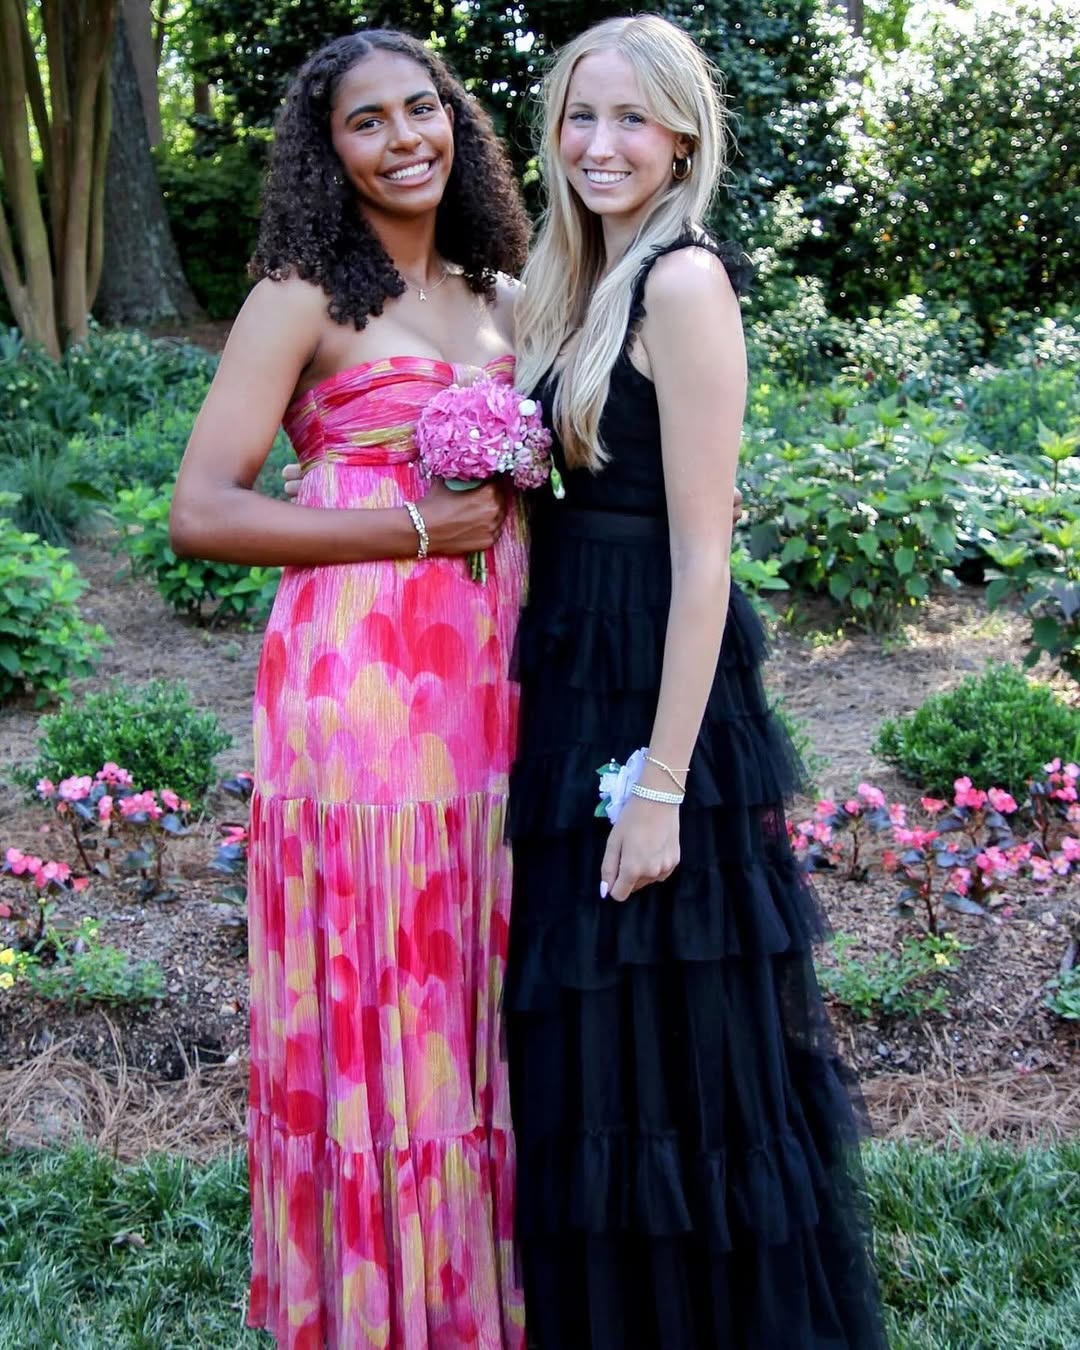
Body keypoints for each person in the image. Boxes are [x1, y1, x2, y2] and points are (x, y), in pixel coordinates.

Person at [503, 14, 888, 1348]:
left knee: (680, 1032)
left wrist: (662, 782)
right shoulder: (576, 280)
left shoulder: (683, 283)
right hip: (573, 674)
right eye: (580, 115)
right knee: (597, 1026)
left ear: (682, 138)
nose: (600, 144)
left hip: (657, 692)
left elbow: (704, 554)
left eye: (631, 119)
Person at [169, 30, 531, 1349]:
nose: (403, 138)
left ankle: (481, 1295)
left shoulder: (505, 297)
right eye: (366, 122)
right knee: (391, 967)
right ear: (328, 155)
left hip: (497, 676)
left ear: (456, 124)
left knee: (480, 971)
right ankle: (378, 1309)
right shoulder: (300, 296)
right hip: (362, 685)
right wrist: (418, 528)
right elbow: (203, 511)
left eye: (420, 109)